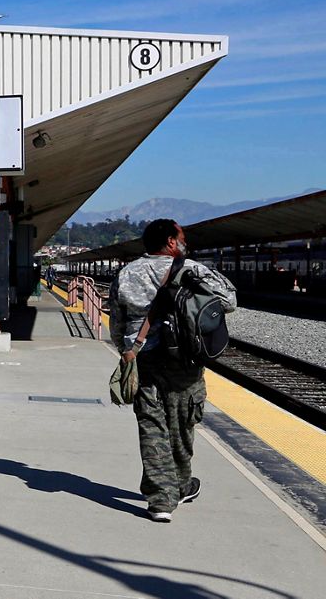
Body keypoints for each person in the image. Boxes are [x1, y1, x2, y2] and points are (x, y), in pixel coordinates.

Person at [109, 218, 236, 523]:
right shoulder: (192, 269)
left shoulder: (127, 274)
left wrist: (128, 351)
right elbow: (229, 301)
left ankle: (161, 499)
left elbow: (117, 321)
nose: (184, 242)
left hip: (146, 360)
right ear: (169, 242)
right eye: (181, 237)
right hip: (185, 362)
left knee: (152, 426)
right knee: (181, 425)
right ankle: (178, 485)